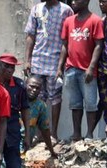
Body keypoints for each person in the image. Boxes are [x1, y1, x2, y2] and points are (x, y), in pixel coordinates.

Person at [24, 0, 73, 140]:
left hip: (55, 62)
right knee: (38, 98)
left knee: (55, 98)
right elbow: (30, 35)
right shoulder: (36, 9)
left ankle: (53, 134)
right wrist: (27, 60)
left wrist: (62, 65)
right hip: (37, 61)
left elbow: (68, 40)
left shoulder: (66, 10)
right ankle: (39, 134)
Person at [57, 0, 103, 142]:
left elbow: (99, 45)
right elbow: (65, 45)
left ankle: (89, 134)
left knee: (90, 104)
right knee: (75, 104)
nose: (73, 2)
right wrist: (60, 67)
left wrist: (91, 67)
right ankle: (76, 134)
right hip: (71, 69)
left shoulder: (95, 20)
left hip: (87, 71)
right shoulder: (68, 21)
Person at [25, 77, 57, 157]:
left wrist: (51, 151)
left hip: (26, 146)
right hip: (10, 144)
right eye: (31, 86)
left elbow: (45, 130)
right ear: (25, 85)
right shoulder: (15, 99)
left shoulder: (40, 106)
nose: (34, 90)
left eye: (37, 88)